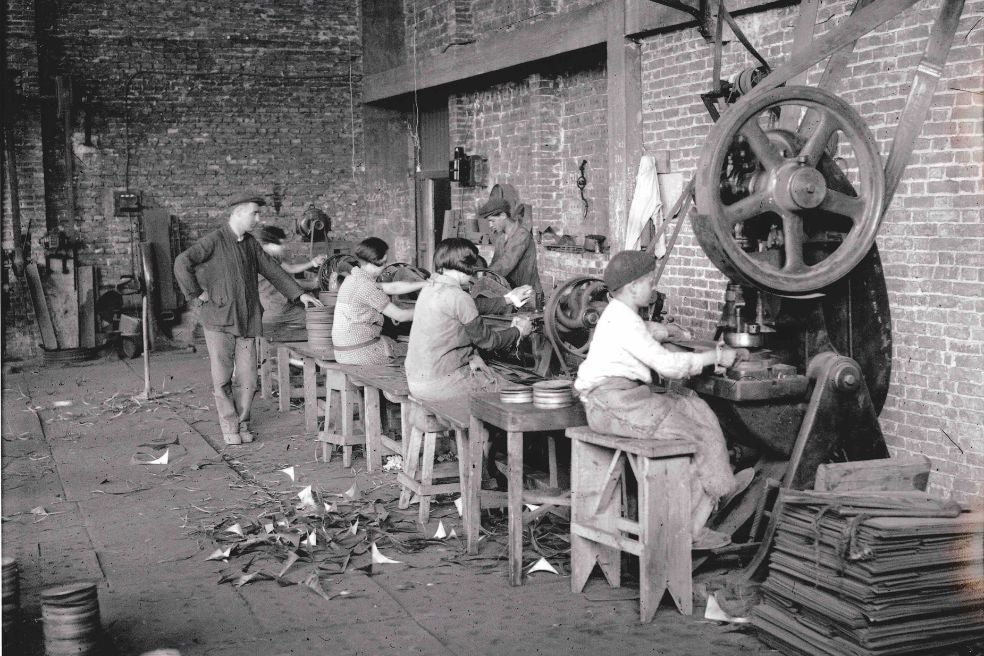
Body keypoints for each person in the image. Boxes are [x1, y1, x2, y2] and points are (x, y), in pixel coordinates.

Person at [573, 250, 751, 550]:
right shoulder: (625, 321)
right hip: (612, 405)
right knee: (694, 436)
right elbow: (668, 366)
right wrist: (716, 356)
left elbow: (643, 334)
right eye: (648, 282)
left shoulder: (619, 313)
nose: (652, 287)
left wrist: (665, 331)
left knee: (694, 406)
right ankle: (693, 528)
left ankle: (720, 485)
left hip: (622, 399)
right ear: (632, 287)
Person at [174, 193, 323, 446]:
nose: (258, 218)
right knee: (222, 378)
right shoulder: (214, 241)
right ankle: (229, 425)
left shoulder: (251, 243)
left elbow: (272, 270)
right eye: (255, 213)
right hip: (219, 320)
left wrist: (300, 295)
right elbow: (182, 262)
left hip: (247, 319)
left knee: (248, 378)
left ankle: (243, 422)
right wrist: (196, 293)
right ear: (239, 212)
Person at [405, 237, 534, 403]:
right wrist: (518, 331)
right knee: (522, 396)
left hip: (416, 379)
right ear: (467, 266)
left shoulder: (430, 288)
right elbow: (488, 341)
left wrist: (509, 299)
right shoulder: (459, 297)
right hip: (440, 384)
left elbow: (473, 304)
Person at [331, 237, 428, 365]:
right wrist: (430, 310)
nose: (385, 266)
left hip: (343, 351)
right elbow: (400, 315)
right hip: (359, 353)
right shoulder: (366, 286)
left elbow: (392, 287)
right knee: (417, 353)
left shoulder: (354, 277)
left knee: (396, 344)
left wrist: (425, 284)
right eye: (382, 263)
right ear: (371, 262)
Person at [255, 225, 327, 335]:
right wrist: (314, 284)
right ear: (270, 244)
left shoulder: (266, 254)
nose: (284, 247)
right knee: (320, 319)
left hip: (266, 308)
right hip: (277, 309)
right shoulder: (268, 259)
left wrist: (313, 262)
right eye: (281, 244)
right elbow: (288, 283)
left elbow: (290, 268)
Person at [478, 197, 543, 297]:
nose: (490, 225)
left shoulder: (522, 235)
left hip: (528, 294)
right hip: (511, 292)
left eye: (492, 221)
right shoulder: (500, 237)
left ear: (503, 215)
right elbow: (496, 262)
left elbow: (506, 264)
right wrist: (484, 273)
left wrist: (484, 276)